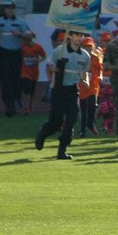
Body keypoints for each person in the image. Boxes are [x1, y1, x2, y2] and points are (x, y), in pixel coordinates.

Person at [35, 31, 90, 160]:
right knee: (56, 122)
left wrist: (85, 81)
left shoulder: (85, 55)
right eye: (76, 35)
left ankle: (62, 150)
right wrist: (54, 68)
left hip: (72, 90)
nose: (79, 38)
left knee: (72, 119)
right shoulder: (60, 50)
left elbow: (84, 72)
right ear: (70, 36)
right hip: (58, 89)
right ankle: (42, 134)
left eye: (81, 36)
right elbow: (50, 64)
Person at [0, 2, 30, 117]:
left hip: (16, 53)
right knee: (5, 80)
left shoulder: (21, 22)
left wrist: (19, 34)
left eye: (12, 8)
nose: (10, 10)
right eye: (8, 8)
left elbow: (29, 36)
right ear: (4, 9)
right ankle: (9, 105)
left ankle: (16, 99)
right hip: (3, 53)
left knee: (16, 80)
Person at [78, 37, 103, 138]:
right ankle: (82, 130)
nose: (88, 48)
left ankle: (90, 123)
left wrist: (100, 77)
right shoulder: (80, 57)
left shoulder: (96, 58)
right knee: (83, 109)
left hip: (93, 86)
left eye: (90, 46)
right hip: (83, 86)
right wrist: (82, 79)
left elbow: (100, 69)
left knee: (92, 106)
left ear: (93, 47)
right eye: (85, 46)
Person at [20, 32, 46, 115]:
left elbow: (44, 56)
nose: (25, 41)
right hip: (25, 72)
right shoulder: (21, 47)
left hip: (34, 72)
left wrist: (38, 60)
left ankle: (29, 105)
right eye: (24, 39)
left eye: (27, 39)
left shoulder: (37, 47)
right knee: (26, 89)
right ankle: (26, 107)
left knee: (32, 90)